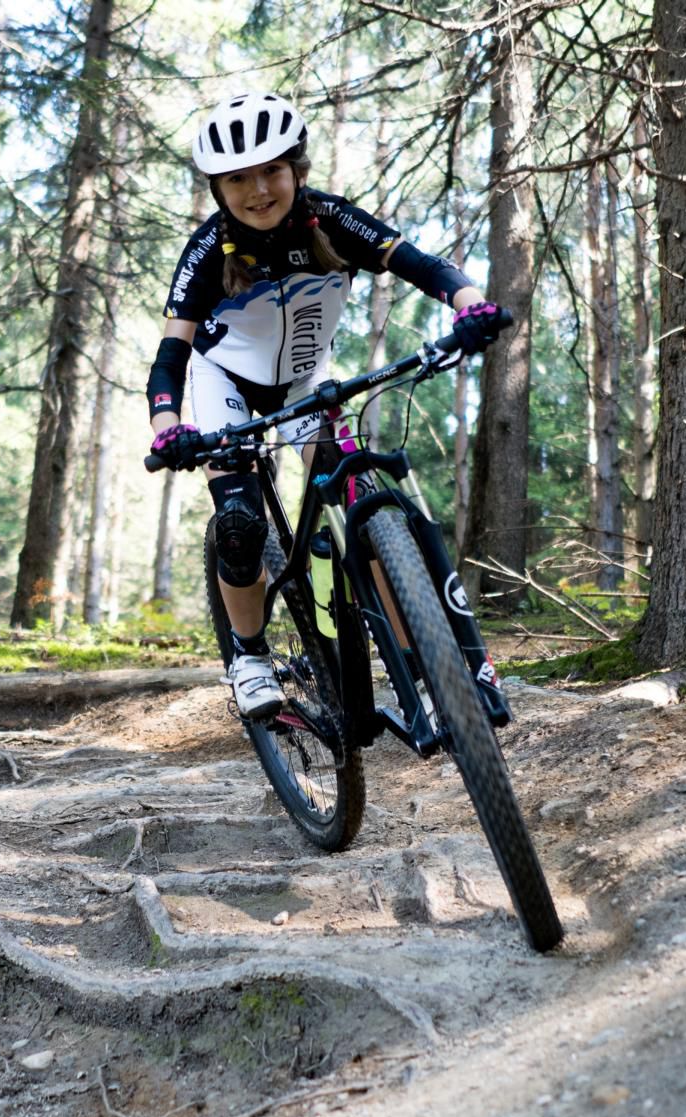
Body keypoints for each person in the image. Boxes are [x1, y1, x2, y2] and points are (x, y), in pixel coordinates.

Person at [147, 91, 508, 718]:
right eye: (238, 179)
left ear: (296, 169)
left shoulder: (333, 219)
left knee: (364, 507)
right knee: (240, 525)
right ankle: (250, 657)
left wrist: (470, 305)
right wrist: (167, 426)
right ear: (218, 189)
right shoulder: (206, 251)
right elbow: (171, 356)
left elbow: (422, 265)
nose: (259, 190)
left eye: (271, 171)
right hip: (224, 382)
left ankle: (426, 672)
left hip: (304, 382)